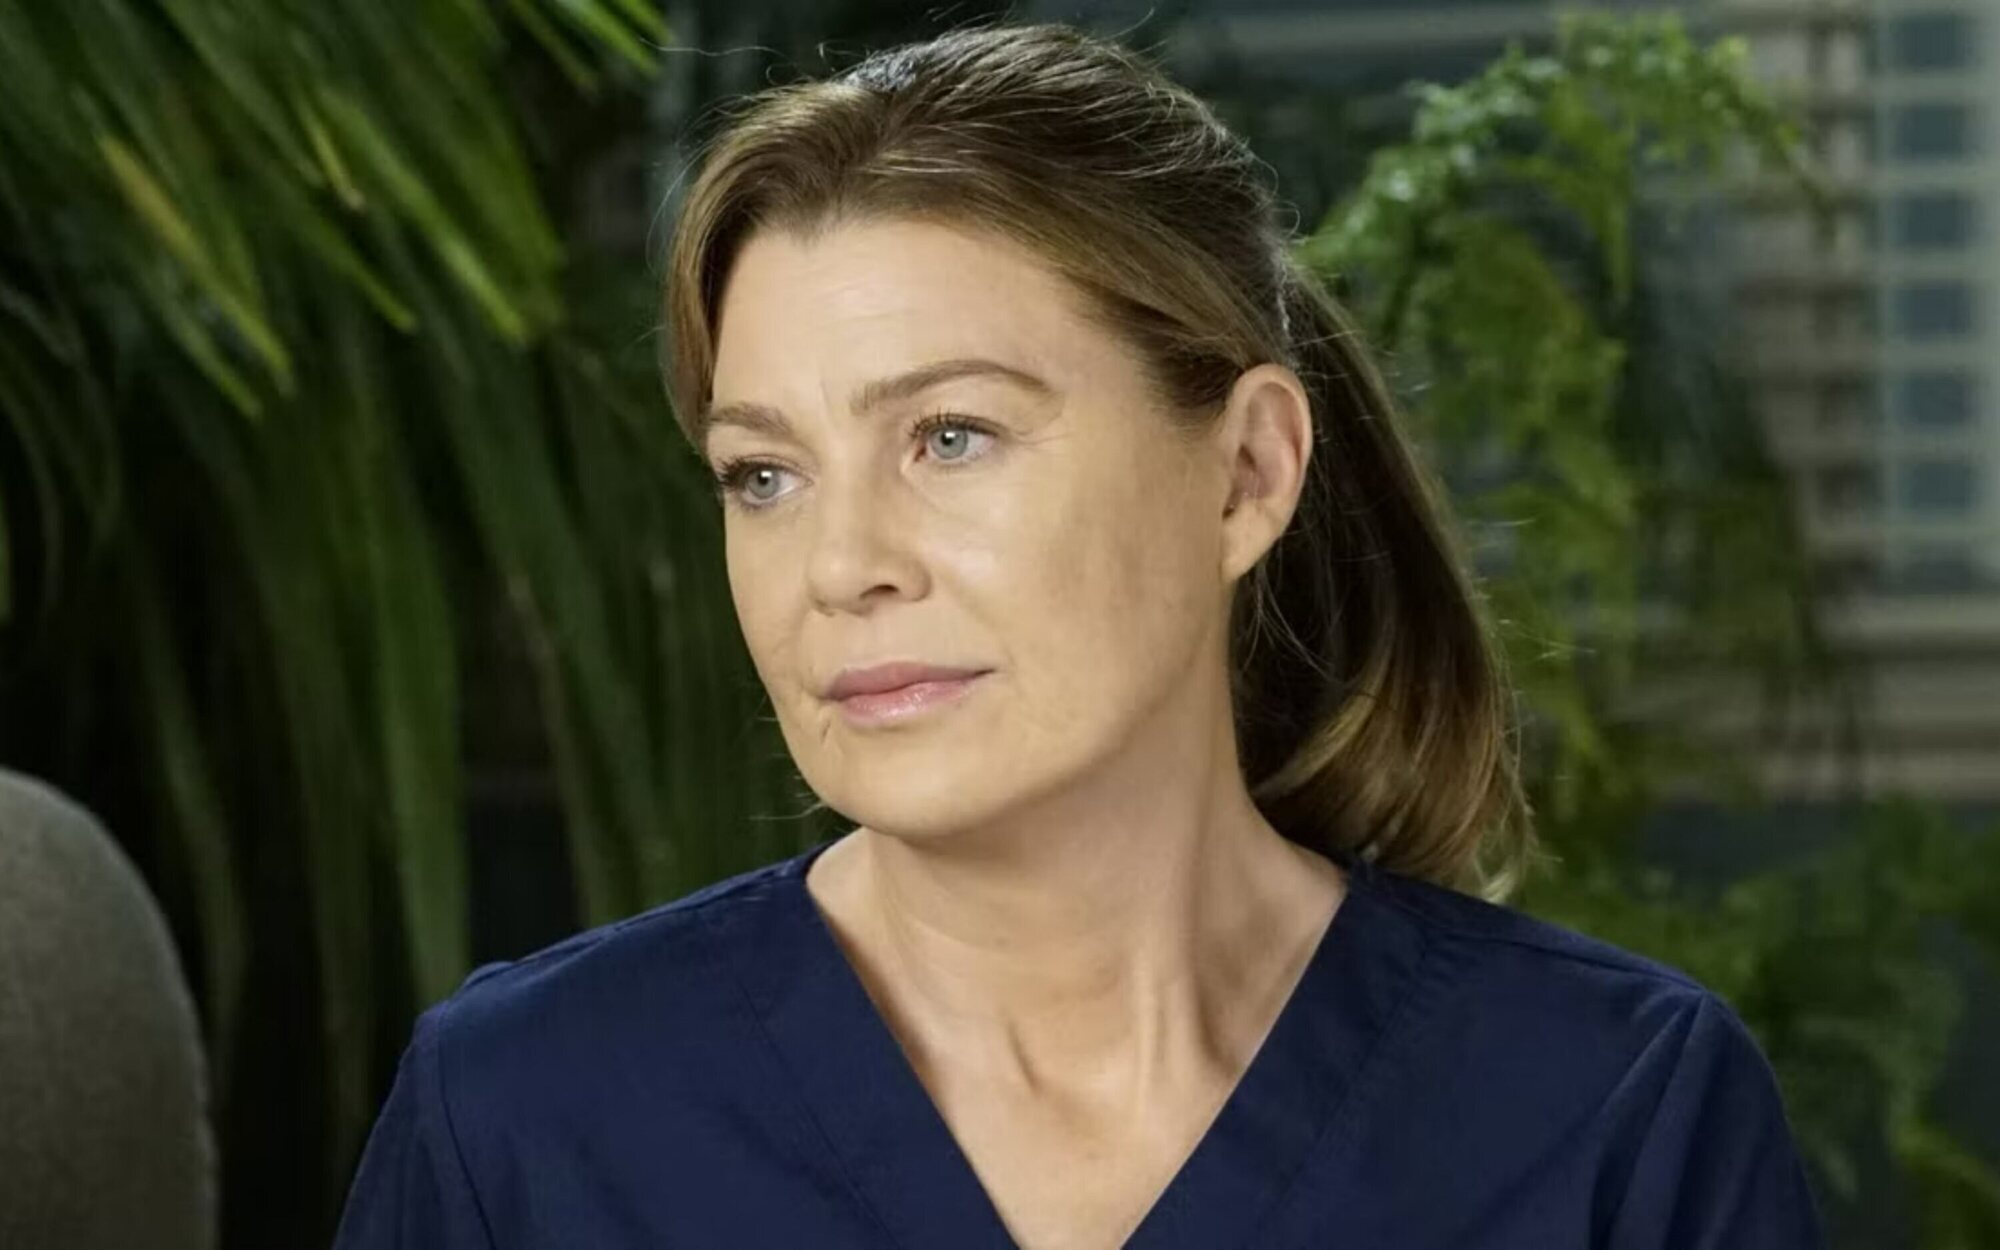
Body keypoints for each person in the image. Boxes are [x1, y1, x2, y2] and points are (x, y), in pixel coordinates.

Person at [331, 20, 1828, 1250]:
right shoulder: (528, 1125)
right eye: (764, 474)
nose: (840, 568)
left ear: (1246, 473)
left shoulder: (1615, 1117)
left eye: (953, 436)